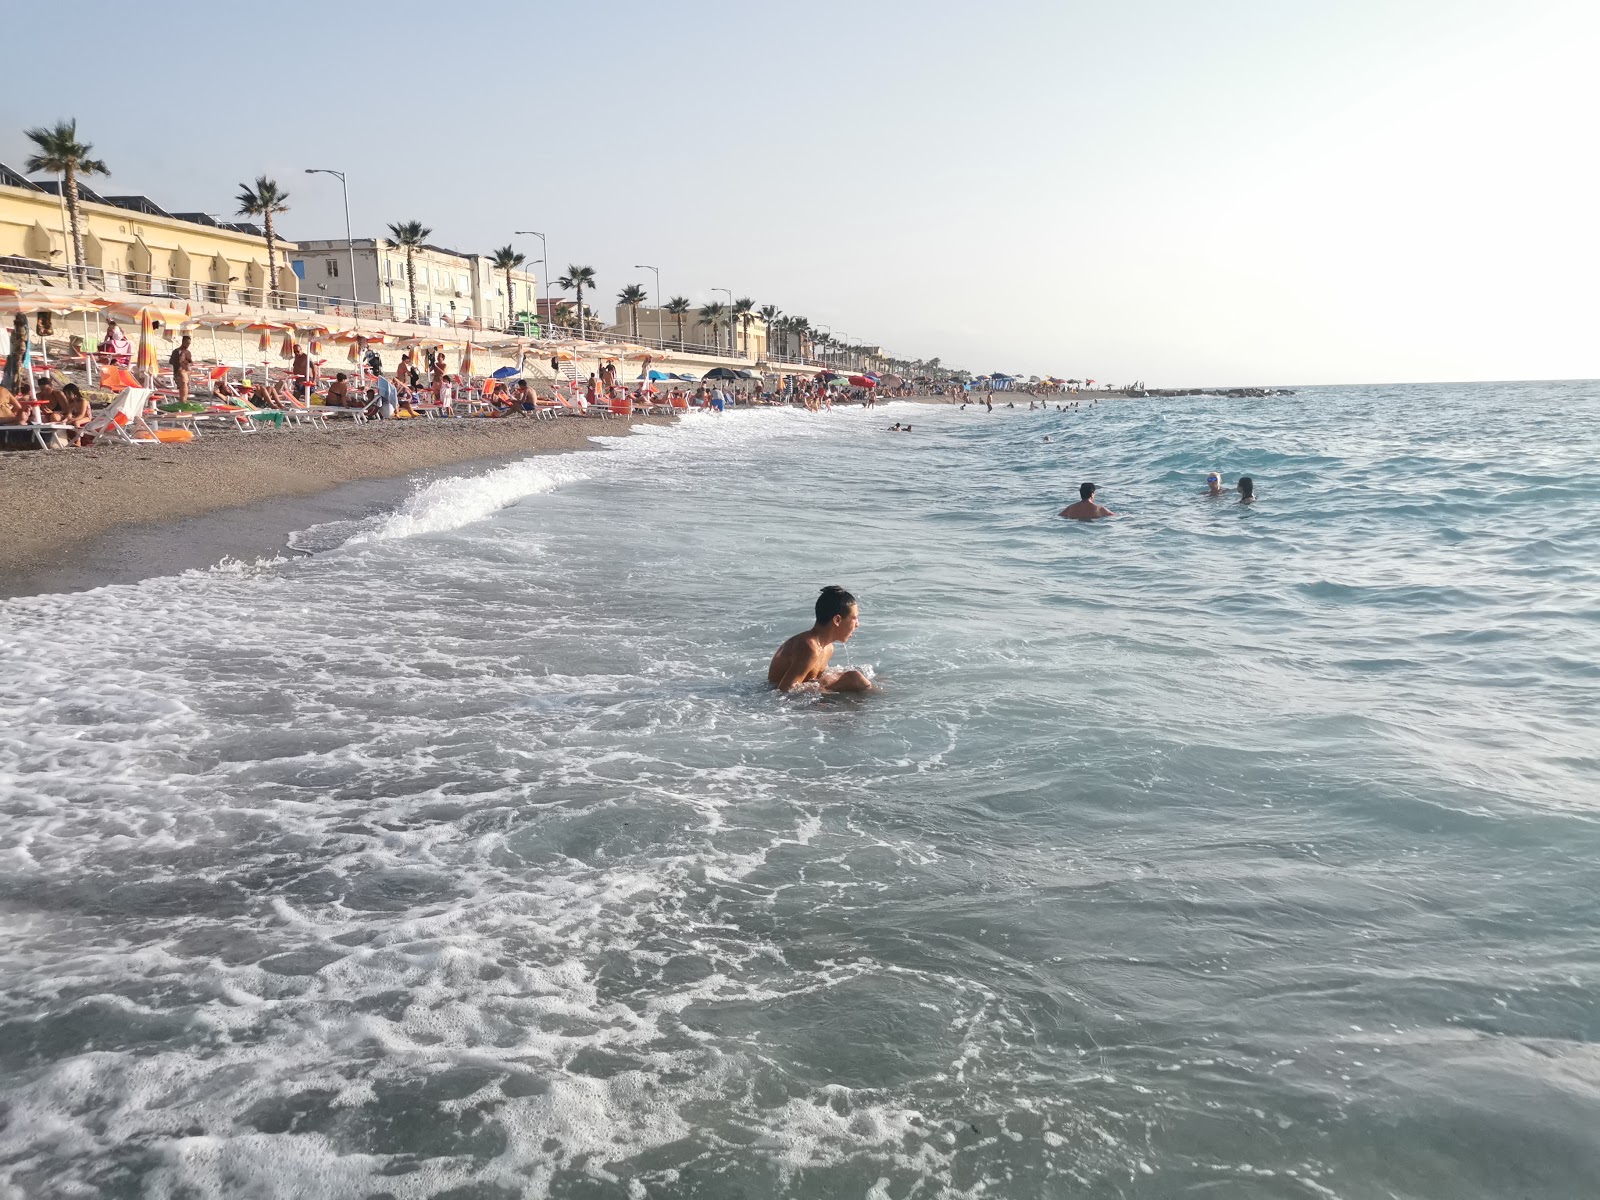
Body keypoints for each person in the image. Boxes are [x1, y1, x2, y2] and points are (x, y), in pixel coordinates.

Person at [767, 585, 876, 693]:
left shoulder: (828, 647)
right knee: (855, 678)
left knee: (860, 677)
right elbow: (784, 691)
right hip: (775, 700)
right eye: (854, 618)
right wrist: (829, 690)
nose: (857, 624)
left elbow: (813, 680)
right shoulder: (809, 647)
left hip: (800, 700)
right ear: (837, 620)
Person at [169, 334, 194, 404]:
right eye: (187, 343)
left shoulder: (188, 352)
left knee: (184, 386)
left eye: (189, 343)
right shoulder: (176, 352)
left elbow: (190, 362)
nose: (188, 345)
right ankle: (182, 402)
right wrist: (181, 364)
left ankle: (183, 401)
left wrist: (187, 365)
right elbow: (172, 362)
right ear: (183, 342)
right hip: (179, 372)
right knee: (183, 384)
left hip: (185, 371)